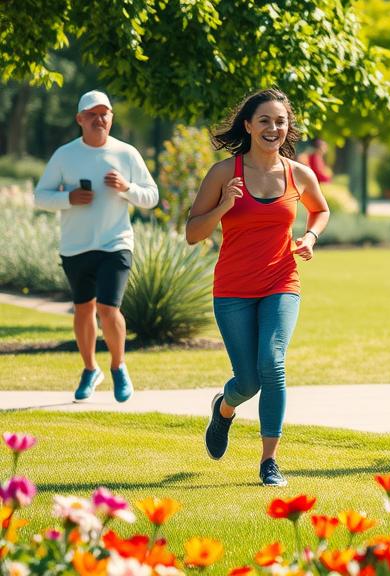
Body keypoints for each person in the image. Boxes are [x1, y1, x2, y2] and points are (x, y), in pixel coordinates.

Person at [185, 88, 330, 487]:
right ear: (248, 125)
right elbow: (192, 234)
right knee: (247, 381)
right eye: (264, 120)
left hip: (281, 280)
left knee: (274, 362)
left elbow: (320, 209)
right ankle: (224, 409)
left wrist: (311, 237)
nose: (273, 128)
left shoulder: (298, 173)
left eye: (280, 121)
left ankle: (269, 462)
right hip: (232, 289)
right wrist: (222, 208)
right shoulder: (222, 174)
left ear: (288, 128)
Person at [33, 90, 159, 403]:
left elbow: (152, 196)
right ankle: (91, 369)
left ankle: (118, 366)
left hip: (115, 243)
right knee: (83, 310)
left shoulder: (127, 153)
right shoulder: (65, 155)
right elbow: (39, 196)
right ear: (80, 119)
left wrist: (127, 188)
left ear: (111, 117)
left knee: (108, 307)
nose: (99, 119)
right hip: (75, 246)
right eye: (92, 114)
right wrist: (68, 198)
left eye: (104, 113)